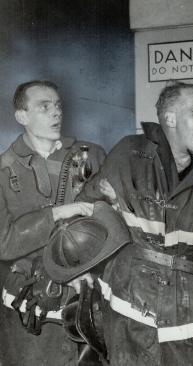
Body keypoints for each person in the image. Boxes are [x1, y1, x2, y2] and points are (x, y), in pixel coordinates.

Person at [78, 81, 193, 365]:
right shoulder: (128, 155)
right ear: (170, 118)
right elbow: (87, 212)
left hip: (192, 318)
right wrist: (82, 270)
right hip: (130, 313)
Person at [0, 80, 106, 366]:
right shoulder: (4, 169)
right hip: (30, 308)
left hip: (86, 302)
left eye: (58, 106)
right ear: (21, 116)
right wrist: (57, 213)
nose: (56, 113)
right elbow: (4, 242)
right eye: (44, 107)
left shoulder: (91, 156)